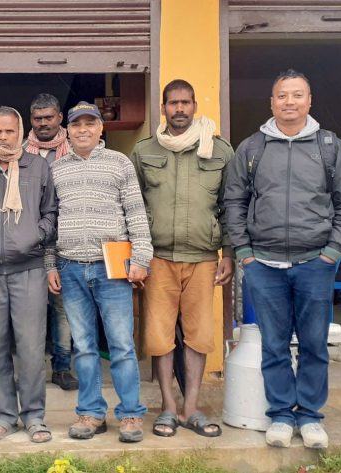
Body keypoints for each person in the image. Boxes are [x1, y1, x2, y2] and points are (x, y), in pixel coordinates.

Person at [222, 69, 341, 449]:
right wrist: (244, 253)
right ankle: (282, 414)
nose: (289, 102)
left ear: (309, 100)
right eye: (282, 96)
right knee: (275, 343)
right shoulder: (252, 148)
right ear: (272, 102)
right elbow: (234, 202)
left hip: (315, 260)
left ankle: (311, 416)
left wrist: (333, 251)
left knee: (315, 343)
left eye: (297, 95)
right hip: (263, 263)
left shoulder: (330, 146)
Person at [130, 80, 234, 439]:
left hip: (204, 257)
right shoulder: (144, 152)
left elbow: (230, 206)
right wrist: (137, 257)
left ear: (194, 105)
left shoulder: (219, 151)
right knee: (159, 338)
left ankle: (191, 407)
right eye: (172, 103)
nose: (179, 109)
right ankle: (168, 408)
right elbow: (134, 207)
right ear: (163, 108)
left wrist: (229, 253)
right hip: (157, 257)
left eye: (185, 103)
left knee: (199, 335)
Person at [46, 101, 153, 443]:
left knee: (121, 344)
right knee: (84, 347)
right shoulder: (57, 169)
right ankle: (91, 413)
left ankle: (131, 414)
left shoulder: (120, 163)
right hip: (71, 265)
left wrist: (141, 258)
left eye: (90, 124)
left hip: (114, 267)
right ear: (68, 130)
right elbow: (50, 221)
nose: (83, 130)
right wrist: (50, 264)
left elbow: (136, 213)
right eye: (77, 125)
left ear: (100, 129)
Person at [0, 106, 58, 443]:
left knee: (31, 348)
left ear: (20, 132)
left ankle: (34, 416)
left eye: (10, 131)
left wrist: (35, 234)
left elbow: (50, 212)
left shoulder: (39, 167)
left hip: (28, 270)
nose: (4, 137)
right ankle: (4, 415)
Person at [23, 93, 77, 391]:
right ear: (31, 120)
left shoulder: (76, 150)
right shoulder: (20, 151)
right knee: (30, 309)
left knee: (62, 308)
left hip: (66, 239)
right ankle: (31, 371)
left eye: (49, 117)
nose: (43, 123)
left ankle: (62, 367)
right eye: (38, 119)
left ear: (59, 118)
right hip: (30, 241)